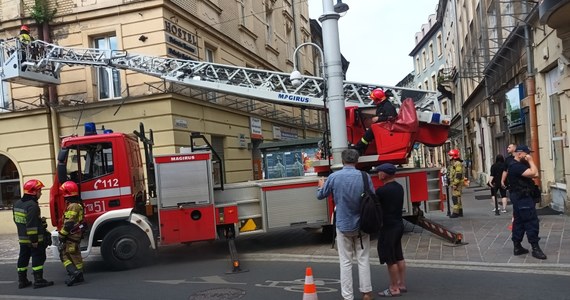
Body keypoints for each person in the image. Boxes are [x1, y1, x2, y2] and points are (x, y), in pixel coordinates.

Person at [316, 149, 374, 300]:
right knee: (363, 259)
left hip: (343, 224)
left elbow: (320, 195)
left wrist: (321, 185)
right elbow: (372, 197)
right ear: (357, 161)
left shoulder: (334, 177)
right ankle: (366, 292)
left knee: (346, 262)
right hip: (362, 224)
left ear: (342, 161)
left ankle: (348, 296)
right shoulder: (365, 176)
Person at [12, 179, 54, 289]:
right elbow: (31, 225)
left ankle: (22, 280)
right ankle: (38, 280)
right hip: (34, 239)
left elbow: (17, 220)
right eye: (39, 190)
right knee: (38, 257)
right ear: (34, 192)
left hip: (22, 238)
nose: (41, 193)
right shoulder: (32, 206)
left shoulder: (17, 203)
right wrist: (34, 240)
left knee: (23, 258)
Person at [507, 145, 547, 260]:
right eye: (527, 154)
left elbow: (536, 173)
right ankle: (535, 248)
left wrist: (529, 162)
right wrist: (531, 161)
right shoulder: (516, 166)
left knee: (519, 221)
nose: (529, 156)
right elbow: (534, 173)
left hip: (520, 196)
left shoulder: (518, 165)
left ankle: (517, 246)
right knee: (531, 221)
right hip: (522, 197)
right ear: (519, 154)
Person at [375, 163, 407, 297]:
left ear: (384, 174)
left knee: (390, 259)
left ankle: (394, 288)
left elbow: (376, 208)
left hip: (387, 227)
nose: (377, 174)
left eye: (379, 172)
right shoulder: (399, 188)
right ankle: (401, 283)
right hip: (398, 224)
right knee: (399, 255)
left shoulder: (381, 191)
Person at [352, 88, 397, 155]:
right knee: (369, 133)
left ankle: (359, 148)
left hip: (386, 128)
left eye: (375, 99)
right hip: (383, 126)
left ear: (378, 99)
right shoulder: (383, 105)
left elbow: (392, 117)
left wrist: (378, 118)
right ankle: (360, 148)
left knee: (370, 132)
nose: (374, 101)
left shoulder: (387, 106)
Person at [58, 181, 86, 286]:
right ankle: (79, 274)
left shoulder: (73, 206)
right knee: (75, 255)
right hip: (75, 234)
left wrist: (62, 234)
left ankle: (75, 273)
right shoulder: (76, 204)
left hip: (71, 235)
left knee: (66, 254)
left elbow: (69, 223)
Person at [447, 149, 464, 218]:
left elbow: (458, 174)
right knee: (458, 198)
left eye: (450, 155)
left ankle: (455, 213)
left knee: (455, 198)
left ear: (454, 156)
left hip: (457, 184)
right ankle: (460, 212)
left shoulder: (457, 163)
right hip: (456, 184)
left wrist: (455, 184)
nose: (449, 157)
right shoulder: (455, 163)